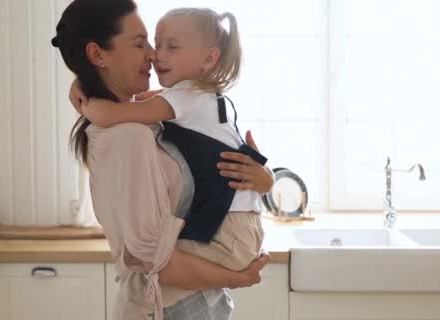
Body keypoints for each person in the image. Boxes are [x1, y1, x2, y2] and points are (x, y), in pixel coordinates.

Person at [51, 0, 273, 319]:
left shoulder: (149, 120)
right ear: (98, 54)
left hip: (197, 301)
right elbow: (158, 263)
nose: (154, 55)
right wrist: (239, 277)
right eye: (142, 43)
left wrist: (263, 178)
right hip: (169, 307)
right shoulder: (128, 135)